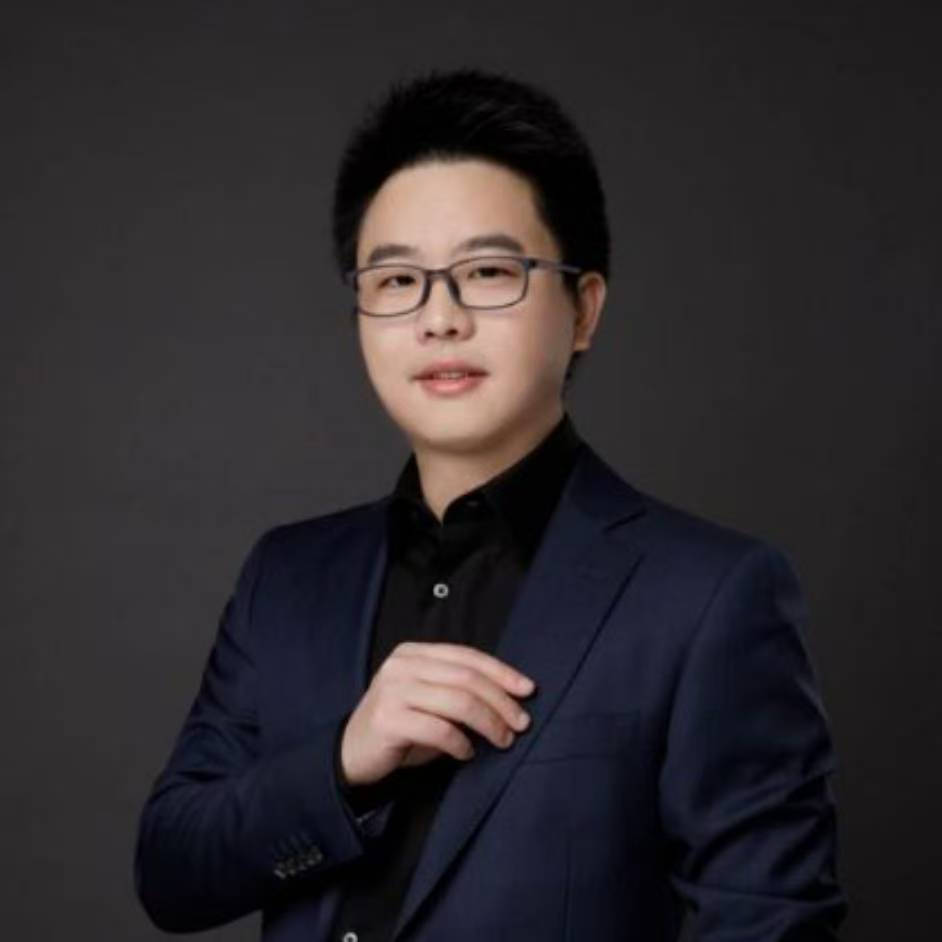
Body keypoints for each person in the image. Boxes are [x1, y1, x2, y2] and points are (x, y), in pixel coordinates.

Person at [134, 69, 847, 941]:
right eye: (397, 280)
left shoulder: (712, 594)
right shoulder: (285, 575)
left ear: (583, 310)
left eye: (487, 271)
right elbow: (171, 872)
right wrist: (341, 763)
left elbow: (769, 924)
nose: (439, 318)